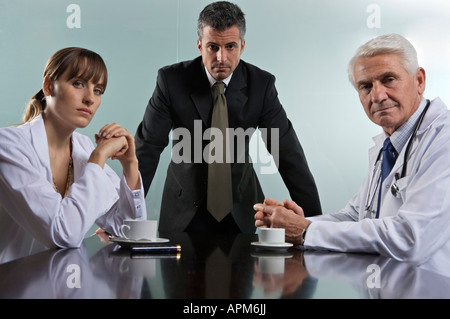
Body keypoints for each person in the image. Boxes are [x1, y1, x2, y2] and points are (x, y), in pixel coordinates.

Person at [254, 33, 450, 272]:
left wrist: (306, 231)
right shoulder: (388, 145)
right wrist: (296, 224)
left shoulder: (443, 140)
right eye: (365, 86)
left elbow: (410, 238)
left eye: (388, 80)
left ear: (419, 80)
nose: (377, 96)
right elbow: (355, 216)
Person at [135, 1, 321, 235]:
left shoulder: (261, 86)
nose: (221, 57)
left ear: (242, 46)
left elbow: (286, 151)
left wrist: (315, 226)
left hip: (245, 212)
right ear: (200, 45)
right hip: (182, 212)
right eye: (213, 47)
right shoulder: (171, 81)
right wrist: (121, 216)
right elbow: (146, 150)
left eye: (230, 46)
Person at [0, 47, 146, 257]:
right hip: (13, 283)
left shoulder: (83, 147)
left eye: (98, 90)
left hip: (58, 282)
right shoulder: (9, 146)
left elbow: (132, 233)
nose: (90, 99)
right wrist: (98, 159)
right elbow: (62, 235)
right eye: (78, 83)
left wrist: (130, 166)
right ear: (49, 86)